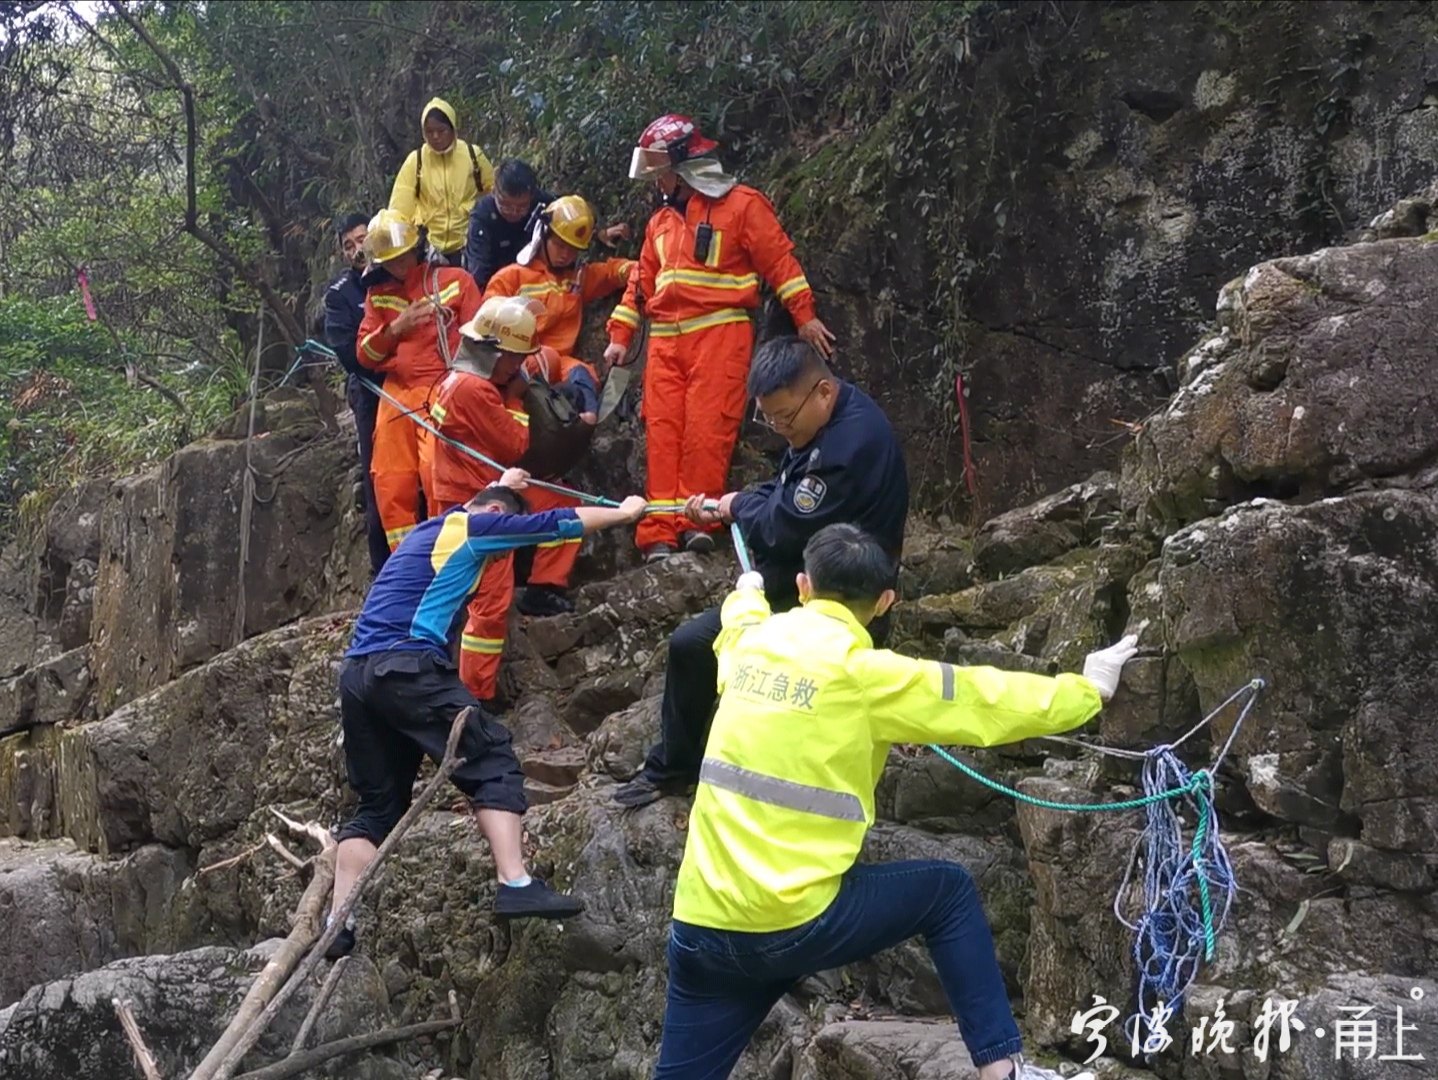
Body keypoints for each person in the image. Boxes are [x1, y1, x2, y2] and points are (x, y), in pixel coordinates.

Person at [652, 523, 1138, 1079]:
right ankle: (1003, 1071)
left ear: (805, 586)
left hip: (701, 926)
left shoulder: (753, 647)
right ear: (884, 602)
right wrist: (1087, 691)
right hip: (796, 923)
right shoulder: (868, 675)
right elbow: (985, 699)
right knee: (947, 892)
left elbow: (737, 629)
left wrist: (745, 593)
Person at [326, 465, 648, 957]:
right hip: (406, 666)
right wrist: (622, 514)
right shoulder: (474, 529)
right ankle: (515, 882)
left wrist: (505, 481)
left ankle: (336, 925)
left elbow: (492, 500)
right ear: (495, 515)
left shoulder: (433, 531)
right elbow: (552, 525)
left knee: (376, 808)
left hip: (358, 676)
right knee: (493, 756)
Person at [615, 336, 907, 808]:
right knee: (692, 646)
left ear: (823, 392)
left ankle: (685, 770)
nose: (778, 428)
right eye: (767, 417)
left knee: (696, 645)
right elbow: (784, 490)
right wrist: (727, 503)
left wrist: (736, 504)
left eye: (785, 418)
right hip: (806, 573)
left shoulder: (850, 447)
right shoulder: (822, 423)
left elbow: (779, 527)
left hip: (840, 595)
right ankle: (675, 767)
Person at [604, 113, 835, 563]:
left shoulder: (742, 205)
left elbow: (779, 262)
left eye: (662, 172)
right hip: (666, 343)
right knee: (664, 433)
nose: (658, 182)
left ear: (683, 164)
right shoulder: (660, 224)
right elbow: (640, 286)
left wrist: (804, 317)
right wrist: (619, 336)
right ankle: (658, 529)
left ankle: (699, 521)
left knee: (708, 430)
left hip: (720, 334)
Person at [484, 194, 637, 617]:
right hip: (518, 377)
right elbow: (488, 339)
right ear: (545, 234)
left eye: (574, 248)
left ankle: (545, 587)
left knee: (583, 386)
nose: (567, 253)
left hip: (550, 383)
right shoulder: (510, 278)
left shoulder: (577, 279)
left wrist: (631, 269)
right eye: (561, 244)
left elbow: (620, 274)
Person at [425, 295, 545, 706]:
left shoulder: (452, 381)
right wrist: (518, 398)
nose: (518, 367)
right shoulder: (477, 391)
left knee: (456, 595)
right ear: (494, 352)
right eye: (514, 359)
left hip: (455, 502)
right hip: (481, 509)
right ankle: (476, 695)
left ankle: (454, 686)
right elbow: (516, 444)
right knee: (490, 603)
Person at [356, 208, 482, 550]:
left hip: (442, 389)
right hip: (396, 394)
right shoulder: (378, 295)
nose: (399, 266)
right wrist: (396, 329)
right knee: (390, 478)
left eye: (402, 256)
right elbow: (365, 354)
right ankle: (407, 560)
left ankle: (450, 555)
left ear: (417, 248)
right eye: (390, 261)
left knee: (438, 472)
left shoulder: (456, 280)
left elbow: (482, 340)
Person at [324, 211, 391, 577]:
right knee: (377, 481)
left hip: (416, 388)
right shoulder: (341, 296)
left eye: (362, 239)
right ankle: (384, 578)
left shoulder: (404, 272)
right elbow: (351, 356)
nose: (357, 249)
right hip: (371, 394)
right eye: (348, 246)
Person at [388, 96, 495, 266]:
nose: (436, 137)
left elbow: (493, 194)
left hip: (470, 243)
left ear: (453, 129)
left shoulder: (472, 155)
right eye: (430, 132)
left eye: (441, 130)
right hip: (430, 248)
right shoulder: (416, 162)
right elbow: (399, 209)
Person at [464, 159, 555, 290]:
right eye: (505, 205)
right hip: (495, 281)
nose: (514, 212)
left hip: (535, 277)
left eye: (522, 206)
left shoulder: (541, 203)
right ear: (494, 191)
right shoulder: (482, 215)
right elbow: (478, 270)